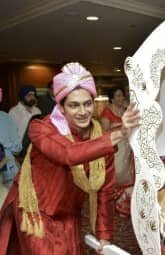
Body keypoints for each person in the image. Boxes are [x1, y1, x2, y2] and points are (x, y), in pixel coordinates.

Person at [0, 62, 141, 255]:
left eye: (87, 104)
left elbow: (105, 192)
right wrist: (119, 133)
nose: (83, 112)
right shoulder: (41, 128)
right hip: (35, 210)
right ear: (61, 107)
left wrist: (104, 235)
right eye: (74, 105)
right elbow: (69, 154)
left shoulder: (99, 139)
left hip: (68, 214)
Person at [100, 87, 134, 216]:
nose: (121, 99)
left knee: (128, 174)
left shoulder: (125, 110)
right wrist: (119, 127)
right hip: (116, 145)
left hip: (127, 144)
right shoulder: (107, 112)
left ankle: (123, 204)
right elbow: (105, 132)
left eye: (122, 96)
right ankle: (111, 202)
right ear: (112, 99)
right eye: (118, 96)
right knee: (117, 173)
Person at [0, 88, 22, 205]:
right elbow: (17, 148)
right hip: (9, 173)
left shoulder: (6, 118)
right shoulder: (6, 117)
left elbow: (17, 148)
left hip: (8, 174)